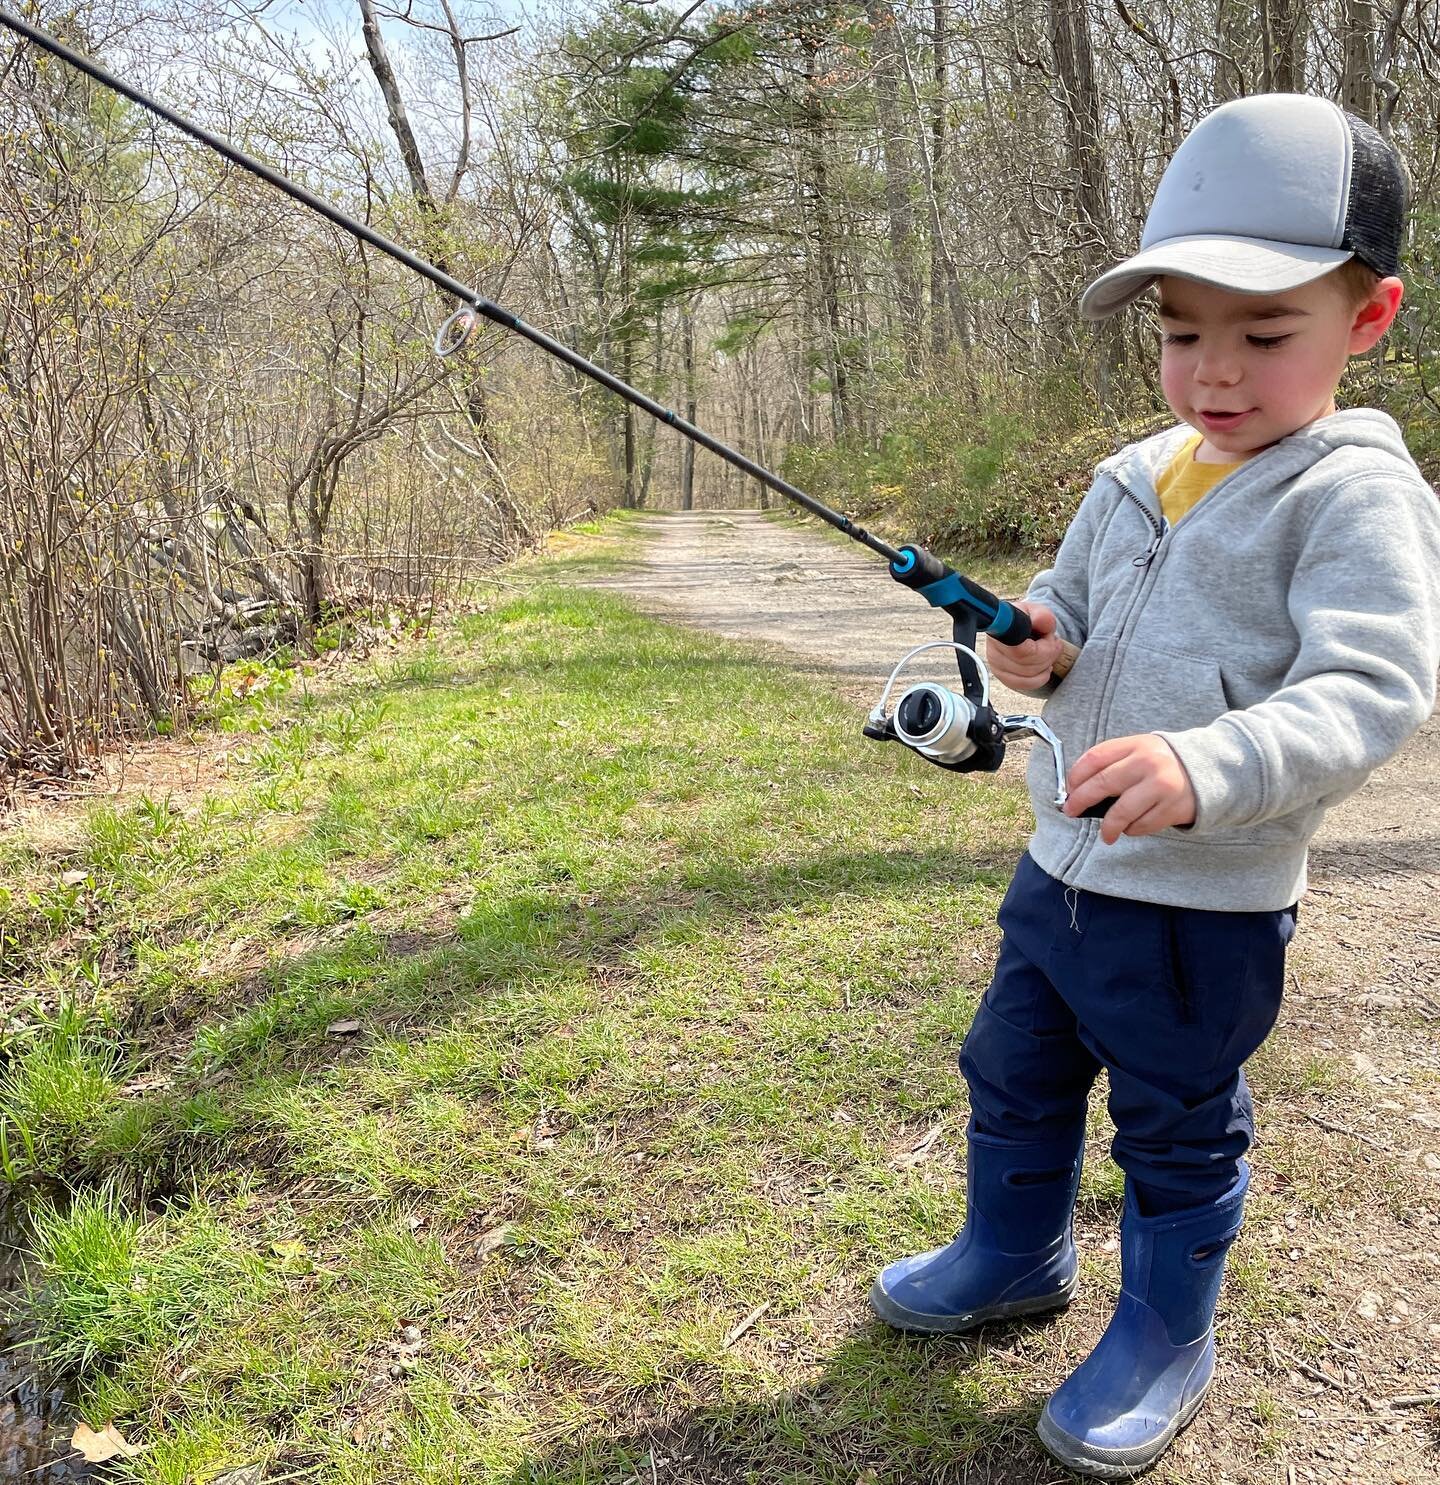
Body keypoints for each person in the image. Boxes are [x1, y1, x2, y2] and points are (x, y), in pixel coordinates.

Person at [868, 93, 1440, 1478]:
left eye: (1263, 334)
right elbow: (1059, 623)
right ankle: (1012, 1252)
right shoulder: (1132, 474)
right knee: (1010, 1069)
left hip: (1203, 908)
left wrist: (1207, 764)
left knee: (1175, 1124)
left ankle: (1165, 1333)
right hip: (1059, 874)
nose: (1214, 373)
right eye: (1184, 333)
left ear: (1366, 322)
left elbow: (1375, 691)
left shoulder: (1354, 495)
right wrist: (1035, 645)